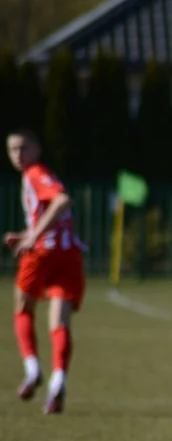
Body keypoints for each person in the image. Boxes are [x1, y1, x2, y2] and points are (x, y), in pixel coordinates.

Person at [4, 129, 85, 415]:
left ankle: (32, 369)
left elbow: (63, 200)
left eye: (23, 148)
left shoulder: (35, 173)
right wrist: (27, 232)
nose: (17, 155)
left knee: (23, 308)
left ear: (38, 149)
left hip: (42, 254)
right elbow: (56, 214)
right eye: (12, 150)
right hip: (68, 254)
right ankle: (57, 383)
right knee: (59, 322)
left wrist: (31, 237)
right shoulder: (39, 174)